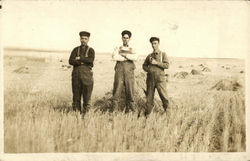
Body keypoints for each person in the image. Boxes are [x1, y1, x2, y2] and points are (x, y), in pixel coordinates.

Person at [69, 31, 95, 114]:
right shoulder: (75, 49)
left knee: (87, 98)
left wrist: (79, 58)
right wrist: (83, 62)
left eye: (85, 39)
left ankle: (86, 116)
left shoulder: (91, 50)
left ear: (88, 40)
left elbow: (91, 60)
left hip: (87, 77)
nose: (83, 40)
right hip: (76, 76)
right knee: (76, 98)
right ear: (80, 39)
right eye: (82, 38)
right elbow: (70, 61)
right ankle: (76, 116)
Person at [112, 30, 138, 113]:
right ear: (122, 38)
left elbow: (135, 57)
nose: (125, 39)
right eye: (124, 38)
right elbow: (115, 57)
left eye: (127, 38)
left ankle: (131, 112)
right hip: (119, 72)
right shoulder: (118, 48)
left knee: (130, 91)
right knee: (117, 91)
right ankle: (114, 112)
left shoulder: (132, 48)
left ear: (129, 39)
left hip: (129, 73)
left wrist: (125, 55)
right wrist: (126, 57)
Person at [142, 37, 169, 116]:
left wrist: (156, 63)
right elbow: (144, 65)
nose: (154, 45)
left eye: (155, 43)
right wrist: (148, 69)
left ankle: (168, 113)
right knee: (149, 98)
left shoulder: (163, 54)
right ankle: (148, 115)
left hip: (160, 79)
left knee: (164, 96)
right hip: (150, 79)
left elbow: (167, 65)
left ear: (158, 44)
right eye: (152, 44)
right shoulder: (149, 56)